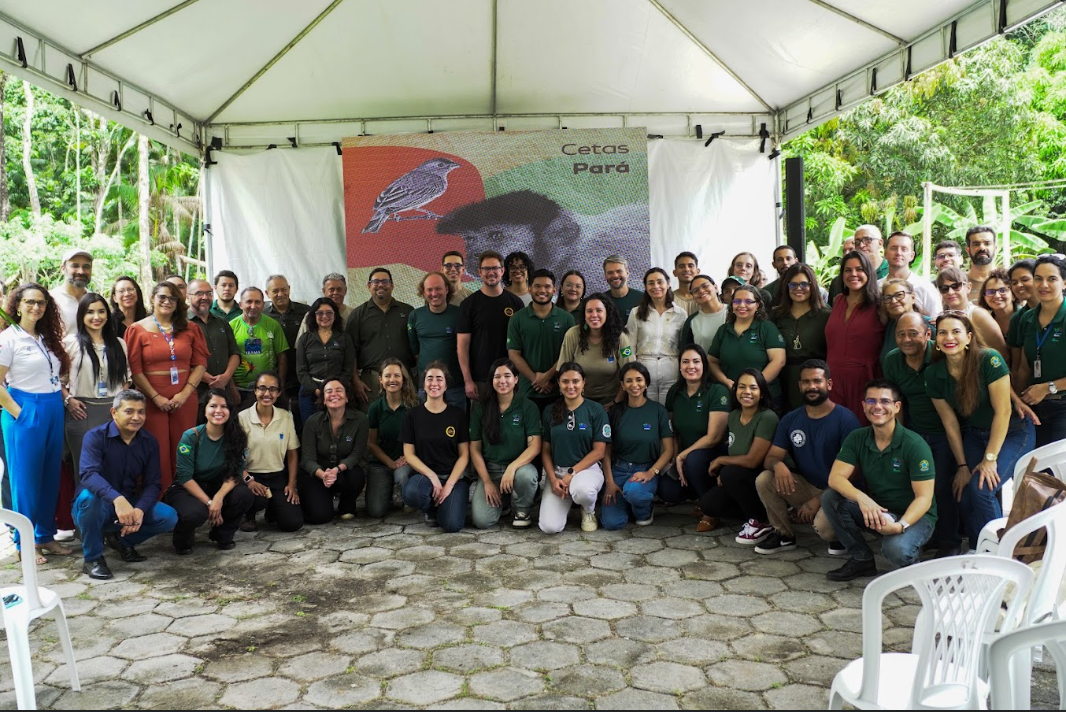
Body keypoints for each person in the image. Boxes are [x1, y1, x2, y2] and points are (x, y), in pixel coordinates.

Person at [821, 379, 937, 581]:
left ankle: (912, 556)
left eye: (885, 401)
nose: (877, 406)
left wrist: (900, 526)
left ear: (897, 406)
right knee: (831, 498)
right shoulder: (857, 437)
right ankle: (862, 559)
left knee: (897, 551)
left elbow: (924, 498)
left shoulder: (915, 444)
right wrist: (863, 499)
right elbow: (835, 478)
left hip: (916, 517)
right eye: (871, 401)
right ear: (863, 405)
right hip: (880, 511)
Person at [753, 360, 859, 554]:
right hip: (809, 486)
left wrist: (818, 500)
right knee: (765, 479)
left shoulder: (846, 420)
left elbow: (853, 474)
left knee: (825, 529)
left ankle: (841, 535)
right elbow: (771, 457)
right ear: (800, 386)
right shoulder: (791, 419)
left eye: (817, 381)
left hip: (840, 491)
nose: (811, 386)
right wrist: (778, 465)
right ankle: (784, 535)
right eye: (806, 382)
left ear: (829, 384)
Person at [73, 390, 178, 579]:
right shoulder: (95, 437)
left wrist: (140, 509)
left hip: (128, 503)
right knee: (90, 499)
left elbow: (153, 483)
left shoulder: (149, 442)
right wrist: (117, 499)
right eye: (129, 411)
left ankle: (121, 540)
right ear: (114, 412)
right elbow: (88, 474)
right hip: (95, 504)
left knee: (168, 517)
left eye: (141, 412)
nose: (136, 417)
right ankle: (93, 558)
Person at [0, 284, 71, 563]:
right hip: (25, 408)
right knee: (26, 481)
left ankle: (44, 535)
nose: (36, 307)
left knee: (49, 476)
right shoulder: (9, 338)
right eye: (29, 302)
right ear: (17, 305)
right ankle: (23, 542)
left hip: (52, 406)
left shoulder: (45, 337)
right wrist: (19, 413)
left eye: (41, 302)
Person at [882, 312, 961, 557]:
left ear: (928, 334)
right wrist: (898, 438)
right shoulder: (892, 360)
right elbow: (896, 403)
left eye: (913, 333)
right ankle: (929, 535)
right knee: (918, 486)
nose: (906, 339)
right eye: (901, 334)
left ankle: (950, 541)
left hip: (946, 432)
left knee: (943, 486)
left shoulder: (941, 356)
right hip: (915, 433)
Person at [127, 281, 208, 486]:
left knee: (184, 447)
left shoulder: (191, 328)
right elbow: (135, 370)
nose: (167, 302)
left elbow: (200, 364)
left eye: (173, 298)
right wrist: (156, 397)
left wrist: (184, 394)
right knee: (157, 448)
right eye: (162, 297)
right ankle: (158, 494)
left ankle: (184, 493)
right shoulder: (137, 329)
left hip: (185, 398)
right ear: (152, 298)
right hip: (151, 400)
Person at [164, 390, 255, 553]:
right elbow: (185, 477)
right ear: (204, 410)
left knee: (243, 495)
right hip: (189, 488)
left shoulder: (237, 437)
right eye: (213, 406)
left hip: (218, 484)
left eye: (224, 406)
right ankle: (183, 539)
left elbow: (235, 473)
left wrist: (218, 498)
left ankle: (222, 534)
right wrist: (209, 503)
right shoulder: (191, 437)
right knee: (194, 513)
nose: (218, 411)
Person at [62, 293, 131, 480]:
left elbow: (126, 378)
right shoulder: (70, 343)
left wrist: (121, 406)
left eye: (101, 311)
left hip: (113, 412)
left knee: (115, 469)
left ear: (107, 314)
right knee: (86, 471)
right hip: (82, 412)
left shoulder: (119, 344)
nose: (96, 317)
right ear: (81, 316)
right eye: (90, 312)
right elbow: (57, 379)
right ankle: (84, 501)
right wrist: (68, 400)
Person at [469, 359, 542, 528]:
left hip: (519, 468)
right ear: (491, 380)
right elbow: (475, 449)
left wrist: (512, 467)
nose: (502, 381)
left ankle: (523, 510)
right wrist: (486, 481)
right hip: (491, 470)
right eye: (497, 377)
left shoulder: (527, 406)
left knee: (527, 476)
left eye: (507, 376)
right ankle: (505, 502)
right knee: (482, 521)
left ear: (516, 379)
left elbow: (535, 446)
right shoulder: (481, 408)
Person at [601, 363, 674, 529]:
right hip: (619, 470)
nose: (634, 385)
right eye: (629, 381)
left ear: (646, 383)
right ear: (622, 385)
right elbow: (606, 451)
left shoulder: (658, 411)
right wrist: (610, 482)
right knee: (612, 523)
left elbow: (669, 450)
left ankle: (644, 510)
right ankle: (628, 501)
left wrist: (651, 472)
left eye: (639, 380)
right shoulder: (614, 412)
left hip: (646, 468)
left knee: (635, 493)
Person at [539, 362, 609, 534]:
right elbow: (545, 450)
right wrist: (552, 479)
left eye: (575, 381)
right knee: (549, 527)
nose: (570, 386)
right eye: (565, 381)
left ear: (583, 382)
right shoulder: (549, 411)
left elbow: (599, 451)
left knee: (582, 490)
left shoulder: (595, 410)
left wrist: (571, 473)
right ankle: (566, 502)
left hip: (587, 470)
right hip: (558, 473)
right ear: (559, 383)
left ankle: (588, 510)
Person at [659, 344, 730, 512]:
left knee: (694, 460)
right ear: (680, 366)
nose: (691, 366)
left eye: (696, 361)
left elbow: (714, 437)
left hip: (713, 454)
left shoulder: (717, 391)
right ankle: (697, 493)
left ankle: (710, 507)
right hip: (687, 457)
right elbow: (674, 432)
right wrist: (676, 458)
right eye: (685, 362)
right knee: (666, 490)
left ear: (704, 365)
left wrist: (683, 455)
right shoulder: (675, 392)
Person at [401, 362, 470, 531]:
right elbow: (409, 454)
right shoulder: (413, 415)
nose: (434, 383)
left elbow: (464, 455)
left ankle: (446, 504)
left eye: (439, 379)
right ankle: (430, 508)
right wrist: (432, 476)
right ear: (424, 385)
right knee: (412, 494)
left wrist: (449, 485)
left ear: (446, 386)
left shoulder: (457, 414)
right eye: (429, 379)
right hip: (425, 477)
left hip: (453, 477)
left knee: (451, 525)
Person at [825, 251, 885, 425]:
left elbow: (906, 317)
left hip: (863, 381)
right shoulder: (838, 301)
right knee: (835, 428)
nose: (853, 274)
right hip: (833, 379)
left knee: (862, 430)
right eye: (848, 270)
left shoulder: (880, 305)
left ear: (869, 272)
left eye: (859, 269)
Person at [238, 370, 302, 533]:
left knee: (292, 523)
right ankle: (248, 514)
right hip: (251, 476)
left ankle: (273, 506)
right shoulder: (242, 418)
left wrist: (291, 484)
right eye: (262, 388)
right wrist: (249, 480)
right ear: (255, 391)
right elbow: (234, 456)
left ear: (279, 393)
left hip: (277, 475)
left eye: (273, 389)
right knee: (255, 498)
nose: (267, 394)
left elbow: (292, 452)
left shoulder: (286, 416)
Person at [458, 251, 525, 401]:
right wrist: (468, 380)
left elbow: (523, 343)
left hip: (510, 379)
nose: (491, 272)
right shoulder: (468, 305)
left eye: (495, 268)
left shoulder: (516, 303)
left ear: (502, 271)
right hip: (480, 380)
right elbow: (462, 346)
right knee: (482, 417)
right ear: (479, 272)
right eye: (486, 269)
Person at [345, 267, 415, 409]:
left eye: (385, 281)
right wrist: (356, 380)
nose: (380, 285)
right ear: (369, 286)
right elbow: (350, 351)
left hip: (403, 378)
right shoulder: (358, 315)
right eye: (376, 282)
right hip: (371, 381)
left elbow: (417, 346)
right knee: (372, 420)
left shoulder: (408, 311)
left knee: (406, 418)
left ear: (392, 285)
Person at [300, 378, 368, 522]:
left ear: (347, 397)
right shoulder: (312, 422)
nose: (334, 394)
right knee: (320, 516)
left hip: (343, 472)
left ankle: (346, 505)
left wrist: (337, 470)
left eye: (339, 390)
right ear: (323, 399)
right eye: (329, 391)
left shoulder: (360, 420)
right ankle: (321, 498)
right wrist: (323, 475)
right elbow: (307, 459)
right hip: (318, 474)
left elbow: (356, 454)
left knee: (356, 475)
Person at [506, 269, 575, 412]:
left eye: (547, 286)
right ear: (529, 289)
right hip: (527, 390)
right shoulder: (517, 319)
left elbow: (569, 354)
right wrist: (536, 379)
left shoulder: (567, 319)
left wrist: (547, 377)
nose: (542, 290)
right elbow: (513, 354)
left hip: (558, 390)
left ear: (554, 290)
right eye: (537, 286)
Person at [1017, 254, 1066, 446]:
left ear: (1064, 283)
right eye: (1038, 278)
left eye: (1052, 279)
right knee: (1034, 463)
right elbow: (1024, 367)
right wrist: (1018, 402)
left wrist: (1047, 388)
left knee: (1058, 461)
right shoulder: (1027, 318)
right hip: (1035, 406)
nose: (1043, 285)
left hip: (1062, 405)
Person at [708, 285, 786, 404]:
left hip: (764, 396)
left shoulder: (767, 328)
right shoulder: (723, 330)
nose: (742, 305)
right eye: (737, 301)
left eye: (748, 301)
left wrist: (755, 385)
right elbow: (712, 361)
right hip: (731, 395)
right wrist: (725, 381)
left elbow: (778, 361)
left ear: (757, 305)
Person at [557, 293, 634, 406]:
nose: (594, 315)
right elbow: (563, 371)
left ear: (607, 313)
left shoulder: (620, 338)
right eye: (589, 311)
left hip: (612, 399)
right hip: (579, 399)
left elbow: (629, 373)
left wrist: (616, 402)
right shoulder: (572, 335)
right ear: (584, 314)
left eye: (599, 310)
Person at [625, 268, 687, 405]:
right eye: (651, 283)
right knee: (646, 408)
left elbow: (683, 345)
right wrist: (630, 368)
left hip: (671, 368)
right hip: (643, 368)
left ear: (668, 284)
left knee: (669, 408)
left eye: (660, 282)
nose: (656, 286)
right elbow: (628, 345)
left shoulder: (680, 314)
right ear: (646, 287)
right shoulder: (636, 312)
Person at [772, 264, 831, 411]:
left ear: (812, 286)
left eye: (804, 284)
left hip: (815, 379)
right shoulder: (776, 315)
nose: (798, 288)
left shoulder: (826, 315)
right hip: (784, 378)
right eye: (793, 284)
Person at [366, 358, 419, 518]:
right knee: (376, 511)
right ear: (380, 380)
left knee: (402, 475)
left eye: (397, 375)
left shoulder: (415, 405)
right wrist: (391, 463)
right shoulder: (375, 408)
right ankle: (387, 491)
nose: (392, 380)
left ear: (404, 379)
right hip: (382, 463)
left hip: (407, 461)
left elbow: (423, 437)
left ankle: (408, 496)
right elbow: (371, 443)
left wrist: (409, 457)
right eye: (387, 376)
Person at [407, 272, 466, 409]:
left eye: (438, 288)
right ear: (423, 292)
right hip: (426, 388)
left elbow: (466, 348)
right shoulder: (415, 316)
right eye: (429, 290)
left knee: (456, 422)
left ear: (447, 289)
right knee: (425, 422)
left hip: (455, 387)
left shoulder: (459, 314)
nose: (434, 293)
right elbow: (415, 351)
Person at [295, 297, 356, 420]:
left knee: (336, 426)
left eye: (329, 313)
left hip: (337, 392)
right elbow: (301, 371)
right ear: (314, 315)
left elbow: (348, 369)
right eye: (320, 313)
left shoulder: (345, 338)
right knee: (310, 427)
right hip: (310, 392)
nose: (324, 316)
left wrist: (335, 389)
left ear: (335, 315)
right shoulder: (305, 339)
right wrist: (317, 391)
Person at [230, 287, 290, 409]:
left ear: (263, 305)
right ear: (240, 304)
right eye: (249, 302)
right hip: (239, 389)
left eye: (257, 302)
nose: (253, 306)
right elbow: (226, 359)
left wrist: (280, 384)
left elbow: (282, 356)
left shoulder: (273, 325)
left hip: (267, 390)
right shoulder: (231, 326)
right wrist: (231, 387)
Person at [264, 274, 311, 423]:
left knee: (302, 417)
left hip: (302, 374)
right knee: (277, 418)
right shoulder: (262, 315)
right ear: (267, 293)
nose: (280, 294)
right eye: (275, 291)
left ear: (289, 289)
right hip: (274, 375)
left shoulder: (306, 312)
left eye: (284, 289)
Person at [187, 278, 240, 410]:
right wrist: (209, 379)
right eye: (199, 293)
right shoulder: (181, 324)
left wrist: (226, 377)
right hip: (196, 393)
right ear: (188, 297)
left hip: (225, 391)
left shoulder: (222, 322)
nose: (205, 297)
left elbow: (234, 353)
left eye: (208, 293)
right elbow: (181, 360)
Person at [935, 267, 1009, 358]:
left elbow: (1002, 354)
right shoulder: (944, 317)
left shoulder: (979, 315)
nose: (950, 292)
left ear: (968, 287)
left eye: (956, 286)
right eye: (944, 288)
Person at [879, 231, 941, 317]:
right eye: (894, 248)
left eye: (904, 249)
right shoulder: (876, 287)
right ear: (885, 253)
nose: (898, 253)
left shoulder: (925, 287)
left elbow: (937, 319)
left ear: (912, 255)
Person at [829, 225, 887, 301]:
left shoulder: (891, 271)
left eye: (867, 240)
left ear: (880, 243)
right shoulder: (846, 278)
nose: (861, 245)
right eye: (857, 242)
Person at [879, 278, 929, 363]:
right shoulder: (889, 327)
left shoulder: (929, 325)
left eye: (899, 295)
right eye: (888, 298)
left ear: (912, 297)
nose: (893, 301)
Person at [1007, 258, 1039, 386]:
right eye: (1014, 282)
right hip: (1031, 391)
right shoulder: (1018, 318)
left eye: (1025, 280)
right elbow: (1017, 366)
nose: (1019, 285)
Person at [50, 248, 93, 335]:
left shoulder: (95, 300)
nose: (81, 271)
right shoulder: (50, 299)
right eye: (75, 266)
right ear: (63, 269)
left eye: (86, 266)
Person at [679, 275, 727, 352]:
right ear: (693, 297)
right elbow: (686, 351)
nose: (701, 291)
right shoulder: (692, 321)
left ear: (715, 288)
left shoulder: (733, 311)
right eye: (695, 290)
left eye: (705, 286)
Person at [978, 268, 1017, 350]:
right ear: (984, 297)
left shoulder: (1025, 317)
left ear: (1013, 294)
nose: (997, 296)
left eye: (1002, 290)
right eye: (990, 292)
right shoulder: (984, 322)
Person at [603, 255, 643, 321]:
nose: (615, 275)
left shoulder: (642, 299)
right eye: (610, 273)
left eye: (619, 271)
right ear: (605, 276)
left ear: (627, 273)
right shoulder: (601, 301)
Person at [965, 225, 998, 304]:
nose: (982, 248)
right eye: (976, 244)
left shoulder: (1008, 279)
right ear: (968, 250)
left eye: (987, 243)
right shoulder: (958, 283)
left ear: (995, 248)